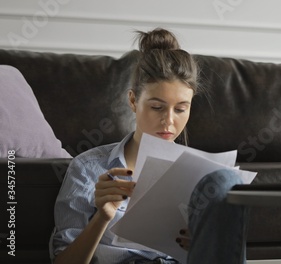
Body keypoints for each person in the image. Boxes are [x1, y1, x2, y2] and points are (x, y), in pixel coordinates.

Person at [50, 28, 248, 264]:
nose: (169, 120)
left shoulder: (202, 174)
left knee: (226, 181)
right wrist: (102, 217)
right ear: (133, 101)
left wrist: (201, 245)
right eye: (157, 107)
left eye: (181, 109)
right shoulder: (88, 168)